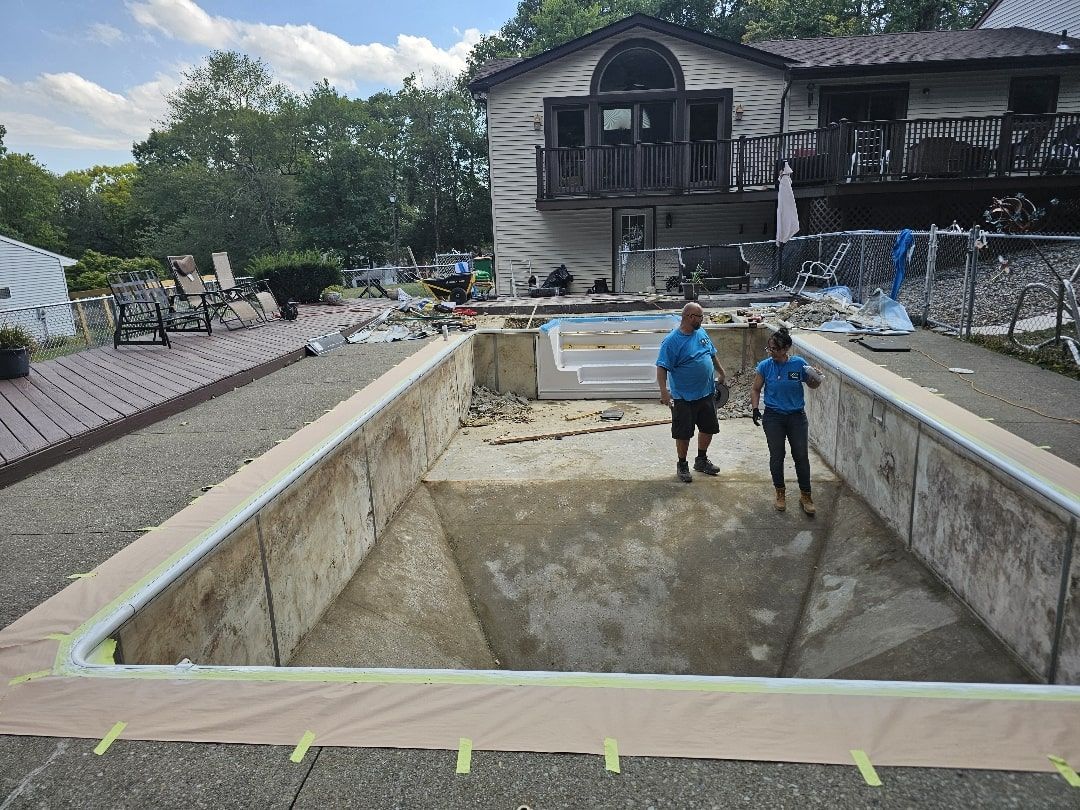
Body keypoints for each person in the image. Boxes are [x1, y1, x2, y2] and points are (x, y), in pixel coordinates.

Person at [750, 327, 822, 514]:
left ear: (786, 349)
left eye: (774, 349)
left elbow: (813, 385)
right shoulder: (765, 366)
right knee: (777, 455)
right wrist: (756, 409)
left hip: (796, 416)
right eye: (769, 348)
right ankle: (780, 492)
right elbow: (756, 388)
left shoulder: (798, 364)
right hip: (773, 416)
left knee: (801, 456)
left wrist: (816, 377)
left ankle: (806, 495)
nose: (771, 352)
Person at [656, 302, 727, 483]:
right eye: (700, 317)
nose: (702, 320)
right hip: (684, 397)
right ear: (688, 317)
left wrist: (721, 371)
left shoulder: (701, 333)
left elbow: (711, 354)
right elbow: (662, 367)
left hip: (706, 392)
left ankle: (701, 460)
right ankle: (682, 464)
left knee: (708, 428)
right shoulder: (672, 341)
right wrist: (664, 392)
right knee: (683, 433)